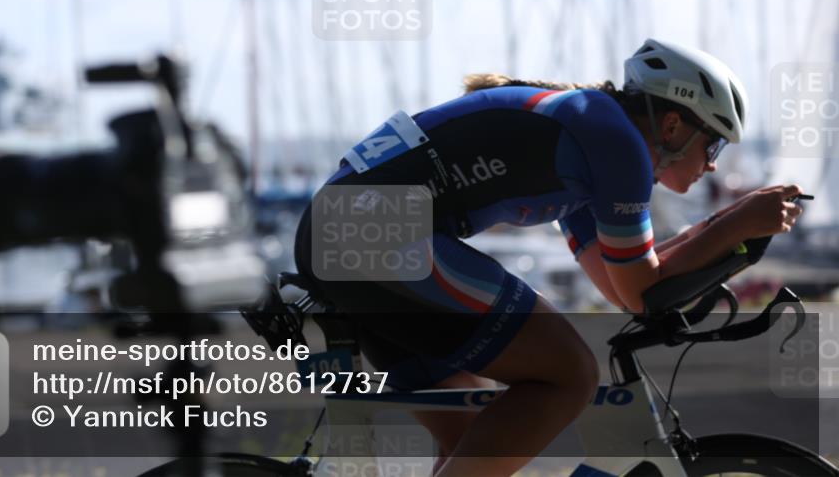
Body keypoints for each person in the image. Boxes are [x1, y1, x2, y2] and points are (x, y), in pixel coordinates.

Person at [292, 38, 804, 476]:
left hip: (343, 233)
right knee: (570, 374)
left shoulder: (592, 134)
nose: (712, 166)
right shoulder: (616, 143)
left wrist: (724, 225)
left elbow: (622, 284)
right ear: (672, 126)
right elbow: (639, 288)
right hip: (373, 236)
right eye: (712, 146)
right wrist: (735, 224)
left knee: (479, 446)